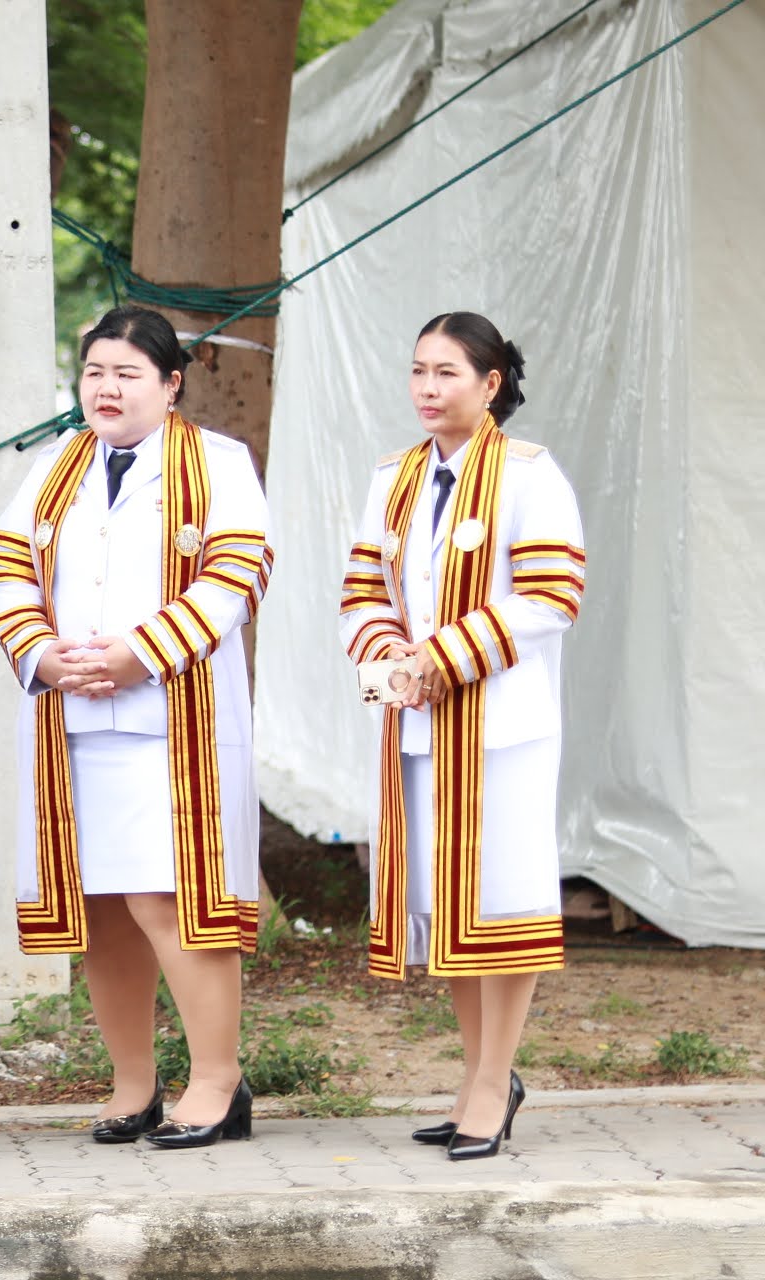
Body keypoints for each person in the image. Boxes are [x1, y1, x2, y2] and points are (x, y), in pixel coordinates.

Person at [0, 306, 273, 1150]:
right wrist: (41, 652)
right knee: (104, 904)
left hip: (174, 725)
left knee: (170, 901)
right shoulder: (54, 465)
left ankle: (217, 1081)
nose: (106, 389)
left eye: (128, 374)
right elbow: (3, 566)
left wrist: (143, 653)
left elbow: (238, 573)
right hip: (75, 722)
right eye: (95, 372)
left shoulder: (218, 463)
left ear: (171, 384)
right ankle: (134, 1082)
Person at [339, 312, 584, 1161]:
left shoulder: (530, 474)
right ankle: (480, 1074)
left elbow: (552, 594)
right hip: (418, 725)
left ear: (491, 384)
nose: (427, 388)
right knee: (447, 905)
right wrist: (390, 655)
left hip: (500, 727)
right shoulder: (394, 477)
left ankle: (493, 1080)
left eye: (447, 372)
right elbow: (363, 589)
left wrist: (444, 655)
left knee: (500, 904)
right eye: (418, 370)